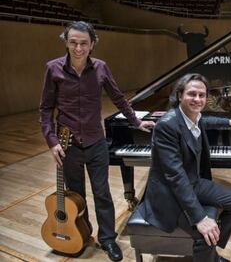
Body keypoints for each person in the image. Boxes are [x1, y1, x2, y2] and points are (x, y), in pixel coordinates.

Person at [39, 21, 155, 261]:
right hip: (67, 144)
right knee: (75, 196)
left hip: (96, 142)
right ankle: (81, 234)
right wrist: (52, 141)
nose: (78, 48)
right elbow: (45, 110)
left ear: (92, 44)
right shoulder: (53, 69)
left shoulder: (101, 68)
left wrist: (136, 122)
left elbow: (118, 98)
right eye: (73, 42)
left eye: (83, 43)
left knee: (102, 194)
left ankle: (108, 239)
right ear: (66, 42)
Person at [137, 73, 231, 262]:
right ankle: (208, 251)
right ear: (180, 95)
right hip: (169, 193)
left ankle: (210, 253)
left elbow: (205, 120)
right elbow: (175, 177)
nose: (197, 99)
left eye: (202, 95)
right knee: (205, 234)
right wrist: (200, 218)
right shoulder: (166, 126)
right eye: (192, 94)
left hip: (193, 183)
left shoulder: (193, 116)